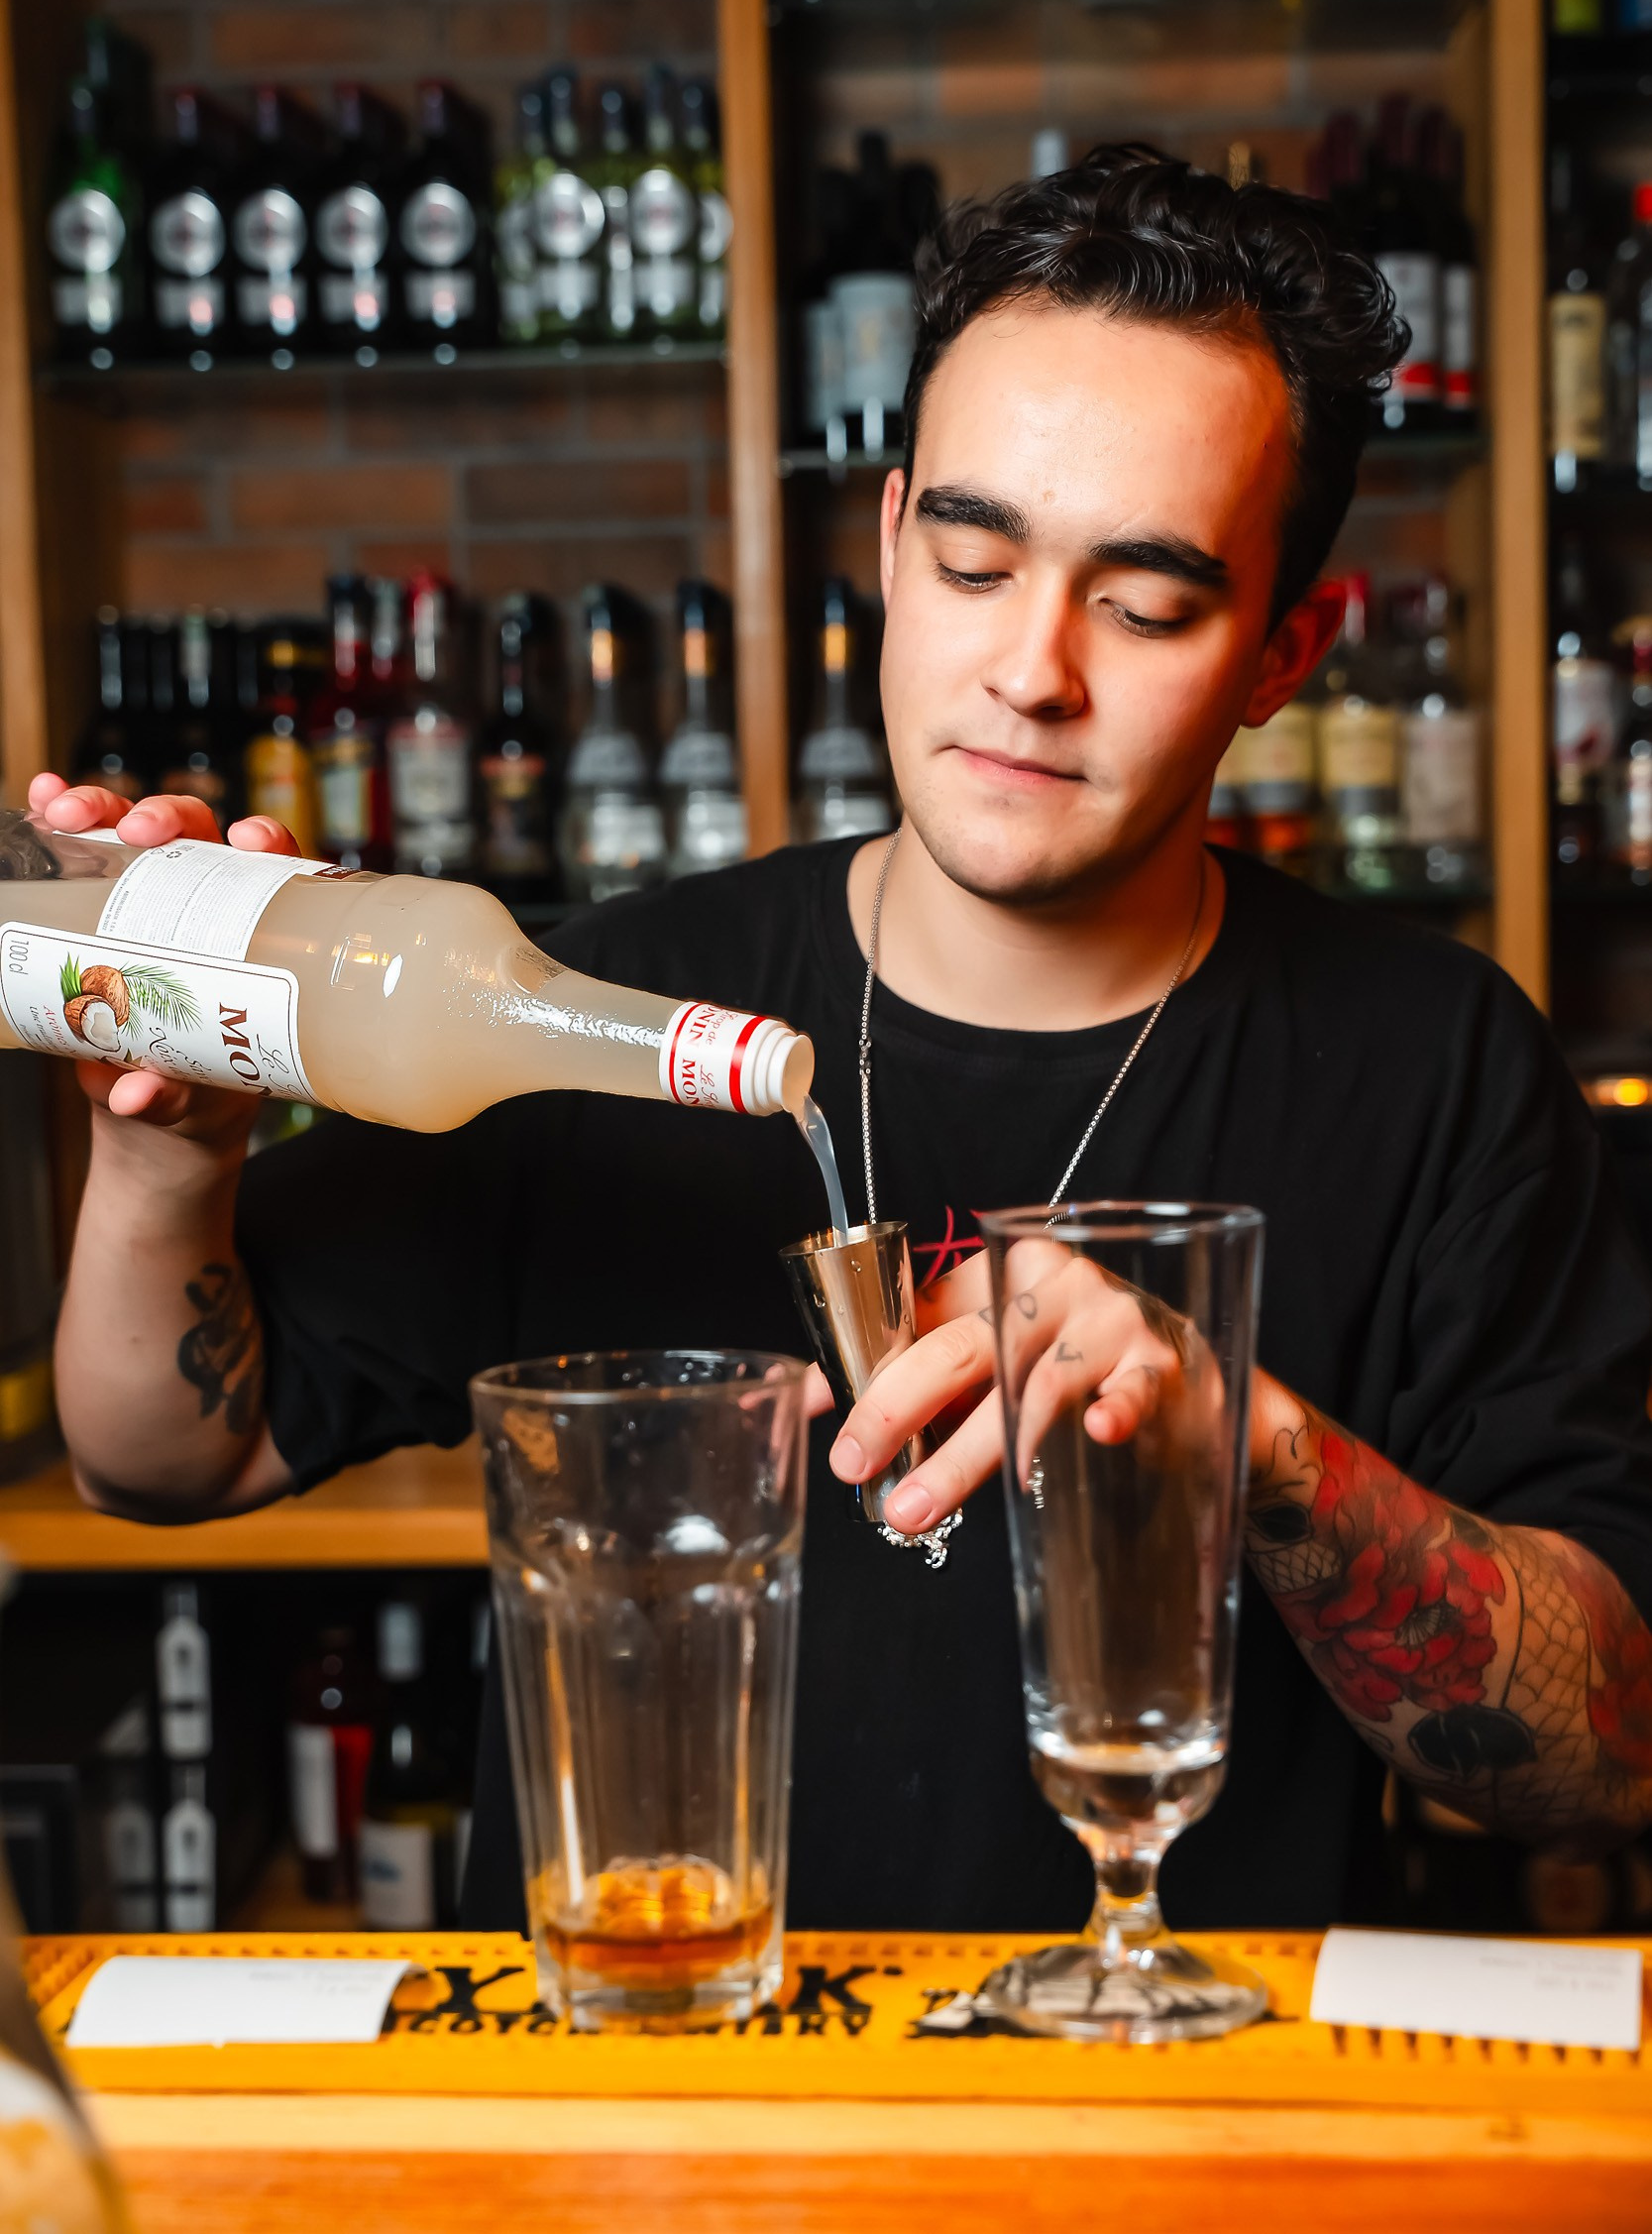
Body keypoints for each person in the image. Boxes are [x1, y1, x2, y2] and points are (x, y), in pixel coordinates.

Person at [40, 148, 1652, 1936]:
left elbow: (1607, 1759)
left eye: (1143, 604)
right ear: (890, 544)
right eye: (972, 560)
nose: (1030, 670)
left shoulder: (1438, 1066)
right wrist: (164, 1154)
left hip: (1168, 2086)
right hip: (637, 2079)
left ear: (1283, 650)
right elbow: (164, 1458)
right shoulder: (577, 1012)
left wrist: (1252, 1441)